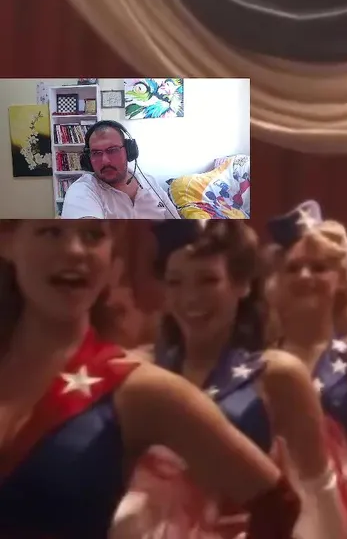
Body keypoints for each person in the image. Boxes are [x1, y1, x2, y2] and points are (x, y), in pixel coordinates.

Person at [0, 220, 300, 538]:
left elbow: (277, 503)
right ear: (8, 244)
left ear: (110, 255)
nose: (75, 251)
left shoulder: (141, 389)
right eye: (51, 231)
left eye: (93, 235)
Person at [121, 220, 347, 539]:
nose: (190, 297)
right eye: (175, 282)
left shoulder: (277, 375)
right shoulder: (140, 370)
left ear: (242, 284)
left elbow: (320, 499)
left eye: (208, 280)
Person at [265, 201, 347, 496]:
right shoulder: (258, 363)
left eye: (318, 268)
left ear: (340, 279)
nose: (304, 276)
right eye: (293, 268)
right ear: (277, 281)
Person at [59, 119, 180, 219]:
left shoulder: (150, 181)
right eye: (96, 153)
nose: (105, 160)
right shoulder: (82, 190)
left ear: (129, 151)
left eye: (113, 150)